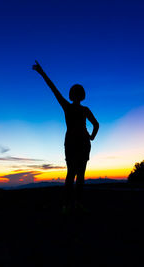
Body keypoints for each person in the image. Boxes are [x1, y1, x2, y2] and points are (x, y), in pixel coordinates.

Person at [33, 60, 99, 211]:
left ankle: (69, 204)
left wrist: (42, 72)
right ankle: (75, 204)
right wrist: (92, 137)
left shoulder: (68, 107)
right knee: (79, 175)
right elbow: (96, 125)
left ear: (73, 95)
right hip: (80, 143)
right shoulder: (84, 109)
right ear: (81, 95)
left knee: (72, 175)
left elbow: (53, 88)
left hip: (74, 143)